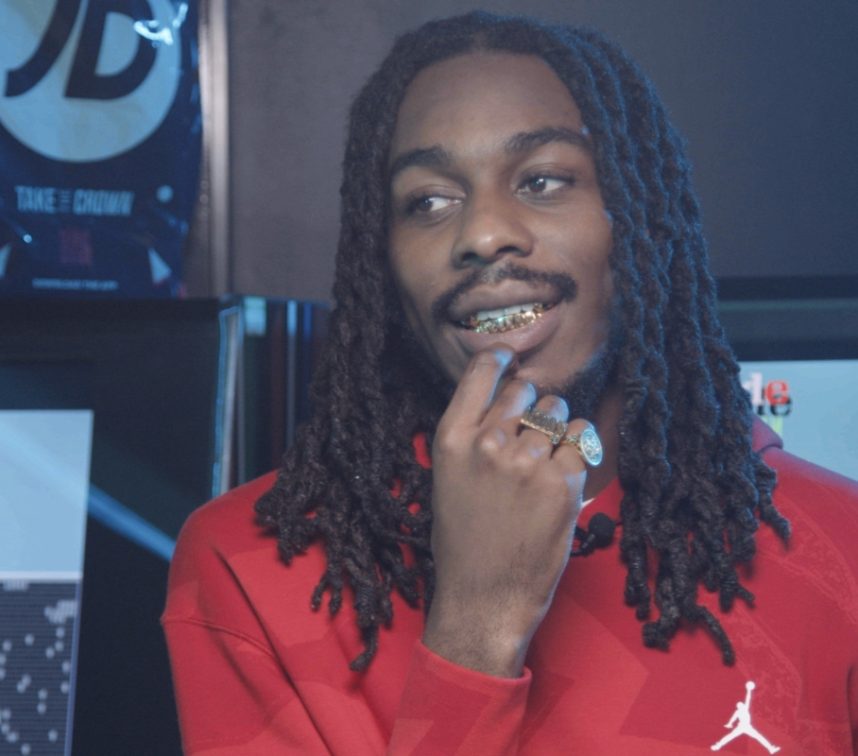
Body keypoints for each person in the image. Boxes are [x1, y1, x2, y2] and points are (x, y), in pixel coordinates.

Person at [162, 11, 858, 754]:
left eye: (543, 181)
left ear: (639, 219)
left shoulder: (839, 550)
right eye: (429, 201)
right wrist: (477, 627)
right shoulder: (247, 569)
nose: (483, 235)